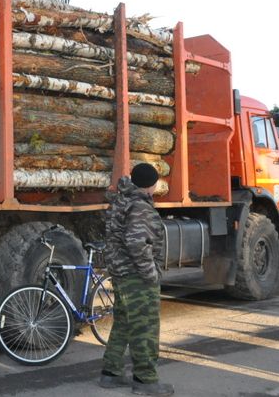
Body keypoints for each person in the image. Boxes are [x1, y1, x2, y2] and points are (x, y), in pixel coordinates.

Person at [98, 163, 174, 396]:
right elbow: (136, 243)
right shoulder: (140, 207)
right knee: (145, 327)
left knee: (124, 322)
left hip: (122, 273)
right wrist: (150, 274)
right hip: (136, 276)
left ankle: (111, 372)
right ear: (152, 185)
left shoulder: (123, 200)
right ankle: (145, 380)